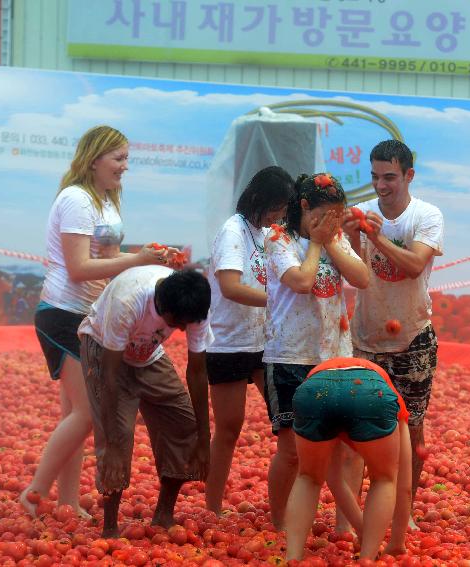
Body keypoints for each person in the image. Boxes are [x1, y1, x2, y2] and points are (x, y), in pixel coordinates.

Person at [20, 125, 169, 518]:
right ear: (94, 159)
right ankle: (34, 492)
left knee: (75, 414)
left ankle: (67, 501)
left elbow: (108, 263)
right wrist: (138, 260)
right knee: (88, 414)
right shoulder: (76, 200)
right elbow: (79, 267)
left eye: (126, 159)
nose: (124, 167)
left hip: (89, 314)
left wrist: (146, 260)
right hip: (62, 313)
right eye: (118, 159)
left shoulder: (107, 201)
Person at [343, 139, 443, 529]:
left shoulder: (426, 215)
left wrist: (377, 236)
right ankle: (351, 516)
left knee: (411, 428)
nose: (381, 186)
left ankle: (405, 512)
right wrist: (354, 235)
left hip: (413, 337)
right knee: (356, 429)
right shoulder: (361, 213)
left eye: (389, 177)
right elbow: (355, 267)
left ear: (408, 176)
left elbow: (416, 265)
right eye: (374, 177)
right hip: (365, 337)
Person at [262, 172, 369, 529]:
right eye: (328, 214)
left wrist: (330, 239)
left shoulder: (334, 236)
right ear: (305, 207)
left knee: (349, 448)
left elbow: (362, 278)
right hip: (290, 357)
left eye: (340, 214)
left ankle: (344, 526)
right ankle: (280, 523)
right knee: (292, 452)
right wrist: (317, 243)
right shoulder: (279, 238)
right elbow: (303, 282)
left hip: (335, 356)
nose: (335, 221)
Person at [77, 267, 212, 537]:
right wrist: (113, 443)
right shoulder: (128, 302)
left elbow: (197, 371)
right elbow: (110, 376)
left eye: (188, 323)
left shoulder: (193, 306)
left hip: (147, 355)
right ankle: (110, 529)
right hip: (105, 352)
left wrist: (204, 439)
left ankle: (163, 514)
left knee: (183, 424)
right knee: (119, 433)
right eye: (178, 323)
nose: (184, 329)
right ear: (162, 307)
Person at [204, 165, 294, 515]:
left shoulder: (267, 232)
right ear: (258, 200)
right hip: (228, 342)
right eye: (275, 208)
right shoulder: (233, 232)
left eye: (284, 210)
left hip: (263, 343)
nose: (279, 216)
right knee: (228, 429)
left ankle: (284, 506)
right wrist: (278, 300)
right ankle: (212, 506)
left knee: (286, 421)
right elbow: (230, 287)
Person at [285, 357, 412, 561]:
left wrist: (362, 529)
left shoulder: (328, 378)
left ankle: (293, 557)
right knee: (384, 479)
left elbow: (333, 480)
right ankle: (367, 558)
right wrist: (396, 542)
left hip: (315, 391)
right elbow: (404, 486)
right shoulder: (395, 401)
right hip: (370, 393)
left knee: (308, 478)